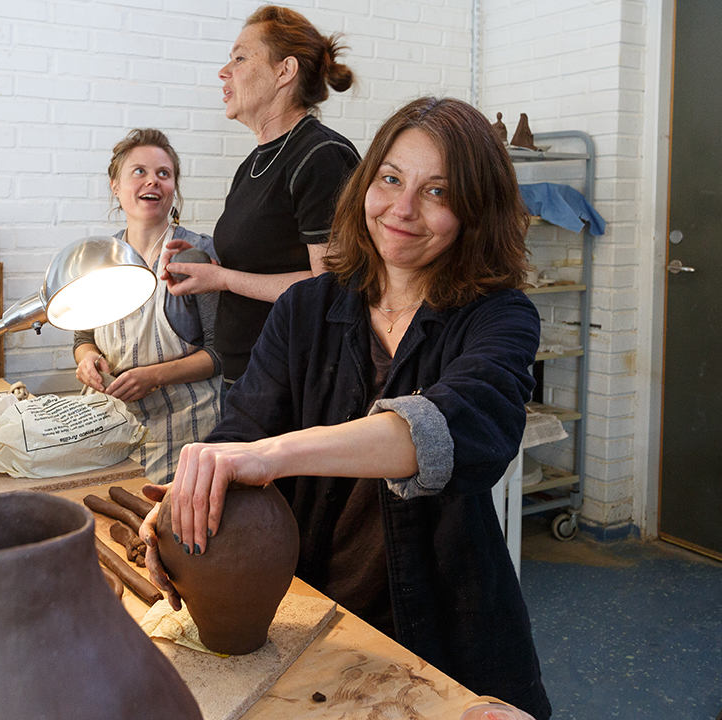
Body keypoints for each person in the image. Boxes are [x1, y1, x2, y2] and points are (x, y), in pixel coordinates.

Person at [140, 97, 553, 718]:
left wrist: (269, 455)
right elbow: (238, 435)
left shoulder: (499, 317)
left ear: (477, 210)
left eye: (437, 192)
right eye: (390, 179)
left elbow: (453, 428)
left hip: (448, 620)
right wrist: (188, 500)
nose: (402, 209)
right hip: (308, 606)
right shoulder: (306, 310)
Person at [161, 5, 360, 385]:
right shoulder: (254, 162)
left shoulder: (321, 157)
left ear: (284, 71)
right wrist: (209, 267)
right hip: (246, 372)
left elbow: (332, 288)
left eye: (239, 58)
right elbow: (264, 266)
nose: (224, 71)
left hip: (294, 378)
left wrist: (223, 280)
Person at [73, 128, 225, 485]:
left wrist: (154, 377)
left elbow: (223, 355)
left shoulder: (195, 255)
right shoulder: (98, 260)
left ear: (173, 187)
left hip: (185, 432)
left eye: (163, 174)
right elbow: (82, 336)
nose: (152, 182)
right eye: (138, 171)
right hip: (109, 425)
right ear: (115, 185)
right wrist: (86, 360)